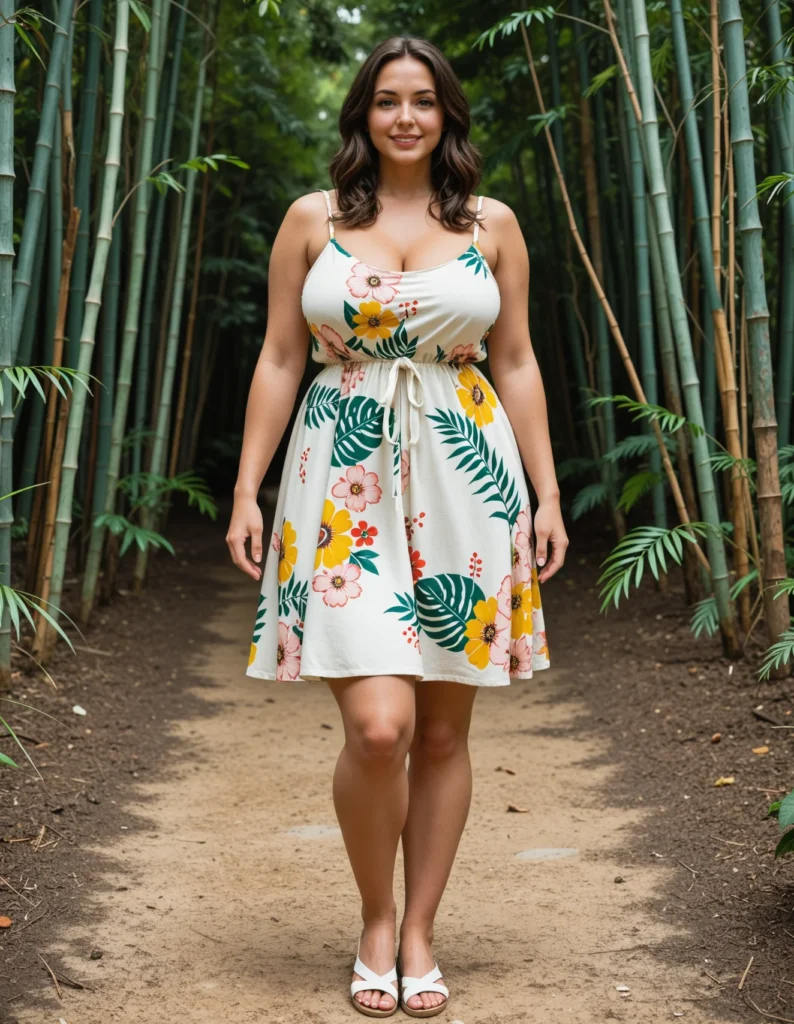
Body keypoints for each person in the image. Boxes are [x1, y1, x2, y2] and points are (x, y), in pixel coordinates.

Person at [227, 32, 568, 1019]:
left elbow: (515, 362)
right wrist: (246, 489)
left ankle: (418, 932)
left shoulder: (492, 224)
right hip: (337, 483)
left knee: (443, 729)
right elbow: (280, 359)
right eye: (387, 100)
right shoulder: (310, 220)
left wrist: (544, 496)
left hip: (466, 478)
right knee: (379, 727)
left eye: (422, 100)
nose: (406, 116)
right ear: (362, 114)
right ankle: (375, 917)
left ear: (446, 113)